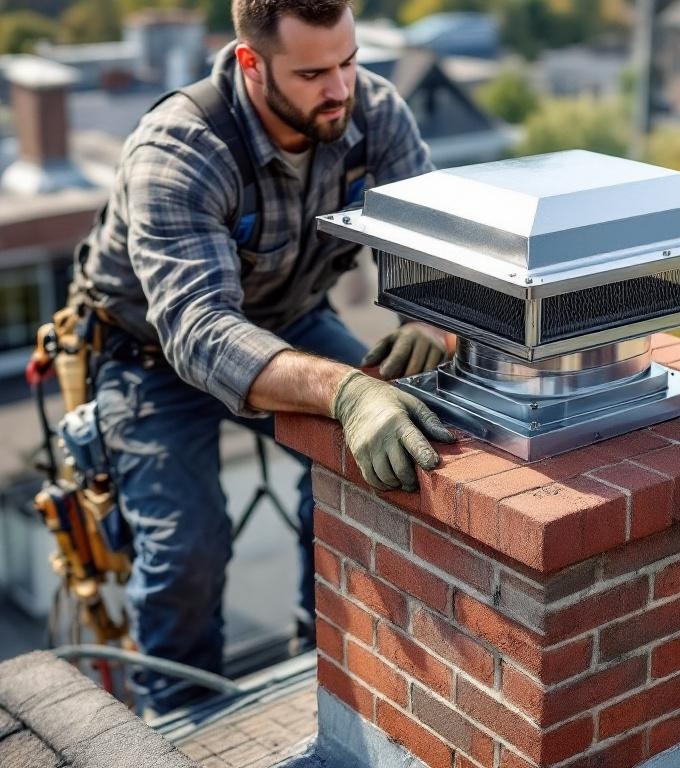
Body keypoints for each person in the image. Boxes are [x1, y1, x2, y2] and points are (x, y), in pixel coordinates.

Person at [72, 0, 452, 713]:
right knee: (187, 549)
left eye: (347, 61)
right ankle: (177, 720)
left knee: (378, 458)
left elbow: (436, 251)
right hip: (152, 355)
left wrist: (432, 324)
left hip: (292, 322)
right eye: (312, 73)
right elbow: (200, 330)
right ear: (250, 63)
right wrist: (345, 391)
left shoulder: (373, 111)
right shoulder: (179, 150)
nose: (340, 88)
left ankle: (333, 659)